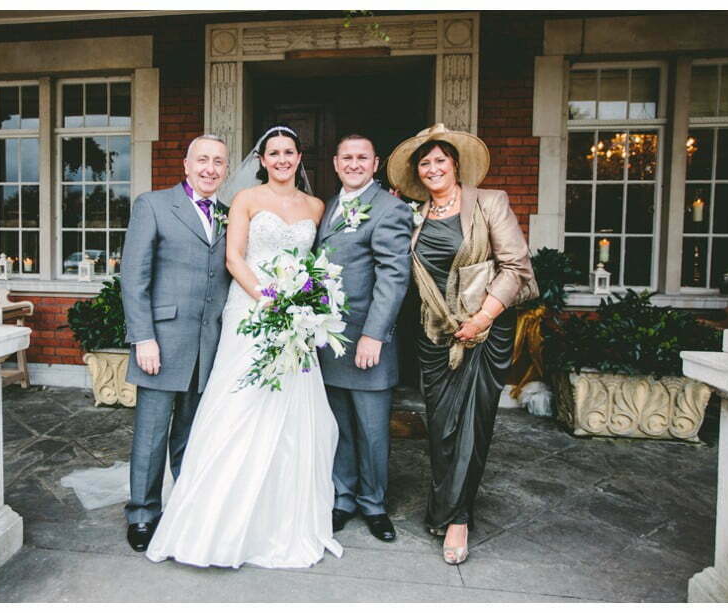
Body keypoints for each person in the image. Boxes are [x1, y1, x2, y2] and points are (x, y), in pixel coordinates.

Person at [145, 126, 343, 568]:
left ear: (298, 157)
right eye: (273, 153)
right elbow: (234, 259)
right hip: (253, 313)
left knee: (292, 414)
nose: (281, 159)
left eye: (289, 152)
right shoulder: (246, 201)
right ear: (261, 160)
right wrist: (273, 299)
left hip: (296, 320)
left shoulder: (315, 206)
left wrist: (305, 302)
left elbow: (316, 266)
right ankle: (213, 521)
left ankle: (279, 518)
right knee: (239, 407)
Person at [386, 124, 536, 565]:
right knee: (442, 427)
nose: (433, 169)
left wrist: (482, 318)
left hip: (484, 333)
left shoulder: (489, 203)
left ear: (455, 165)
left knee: (472, 426)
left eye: (440, 161)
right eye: (425, 163)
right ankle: (445, 504)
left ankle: (458, 519)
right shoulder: (413, 215)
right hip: (434, 336)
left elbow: (516, 266)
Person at [120, 134, 231, 552]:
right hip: (162, 342)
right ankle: (143, 513)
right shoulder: (152, 205)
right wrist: (143, 337)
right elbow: (134, 278)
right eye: (202, 160)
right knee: (150, 435)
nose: (210, 169)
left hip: (209, 344)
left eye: (218, 162)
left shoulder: (228, 213)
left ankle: (184, 509)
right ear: (186, 164)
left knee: (191, 434)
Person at [315, 135, 413, 542]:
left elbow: (394, 276)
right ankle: (344, 497)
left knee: (373, 430)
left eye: (362, 158)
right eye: (347, 158)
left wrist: (374, 335)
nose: (354, 164)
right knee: (338, 426)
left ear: (376, 164)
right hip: (329, 339)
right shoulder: (328, 206)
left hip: (367, 339)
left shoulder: (390, 208)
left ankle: (374, 503)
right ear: (336, 164)